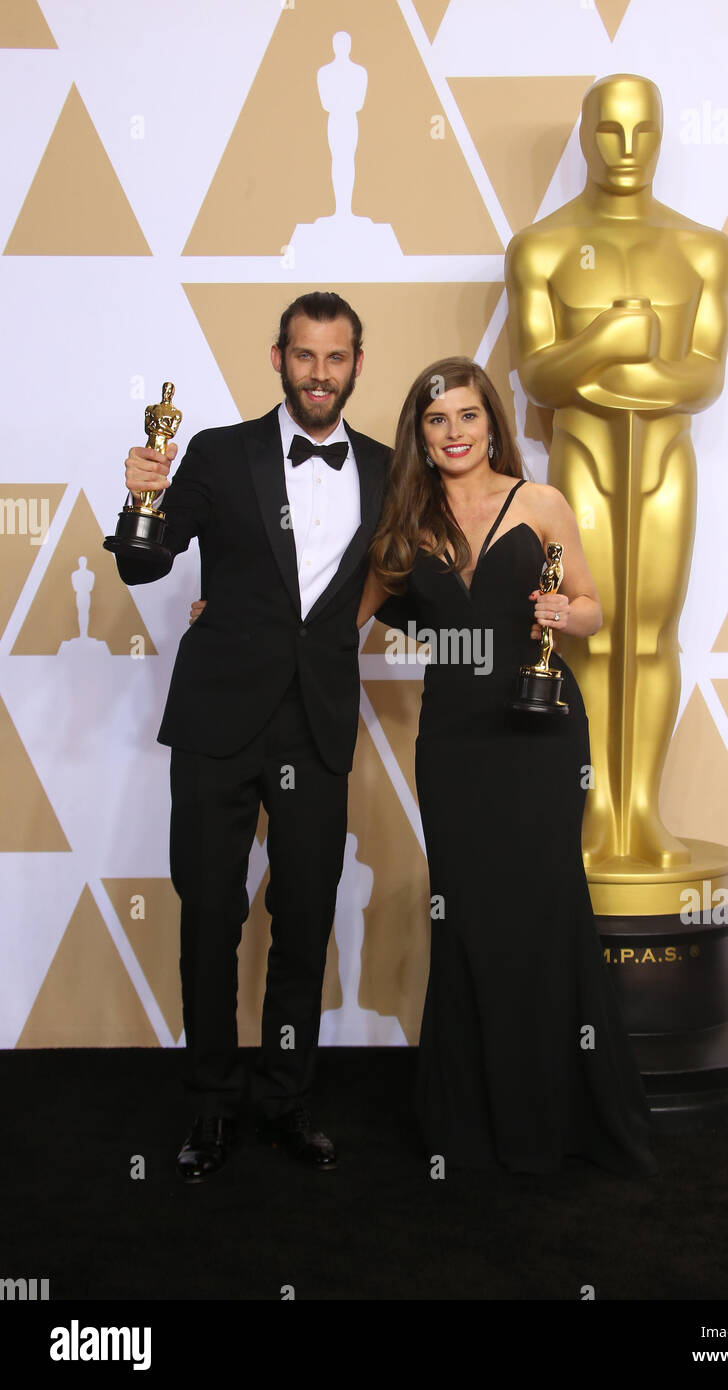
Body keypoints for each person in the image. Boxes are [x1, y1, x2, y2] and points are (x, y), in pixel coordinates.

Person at [357, 356, 657, 1175]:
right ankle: (472, 1122)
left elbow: (595, 609)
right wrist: (230, 609)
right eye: (435, 420)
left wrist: (568, 611)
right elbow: (340, 618)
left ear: (492, 421)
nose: (454, 433)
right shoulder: (403, 522)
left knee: (545, 905)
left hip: (540, 729)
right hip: (454, 742)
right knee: (468, 917)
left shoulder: (541, 503)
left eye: (467, 416)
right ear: (418, 434)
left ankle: (558, 1117)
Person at [115, 291, 390, 1181]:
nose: (319, 373)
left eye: (335, 358)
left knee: (304, 922)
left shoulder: (387, 471)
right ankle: (210, 1108)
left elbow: (412, 587)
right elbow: (143, 561)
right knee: (210, 917)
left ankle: (284, 1100)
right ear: (278, 358)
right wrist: (139, 501)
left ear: (356, 363)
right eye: (304, 356)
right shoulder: (218, 452)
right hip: (217, 722)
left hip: (314, 726)